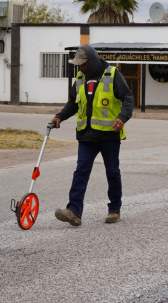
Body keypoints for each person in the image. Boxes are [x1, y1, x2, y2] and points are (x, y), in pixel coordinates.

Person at [51, 45, 134, 226]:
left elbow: (128, 98)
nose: (80, 68)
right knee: (81, 171)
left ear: (93, 61)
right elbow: (73, 103)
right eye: (78, 65)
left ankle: (114, 209)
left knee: (112, 172)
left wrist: (122, 117)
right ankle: (74, 211)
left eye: (83, 64)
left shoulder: (112, 74)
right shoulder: (80, 78)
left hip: (109, 135)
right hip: (87, 136)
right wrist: (60, 117)